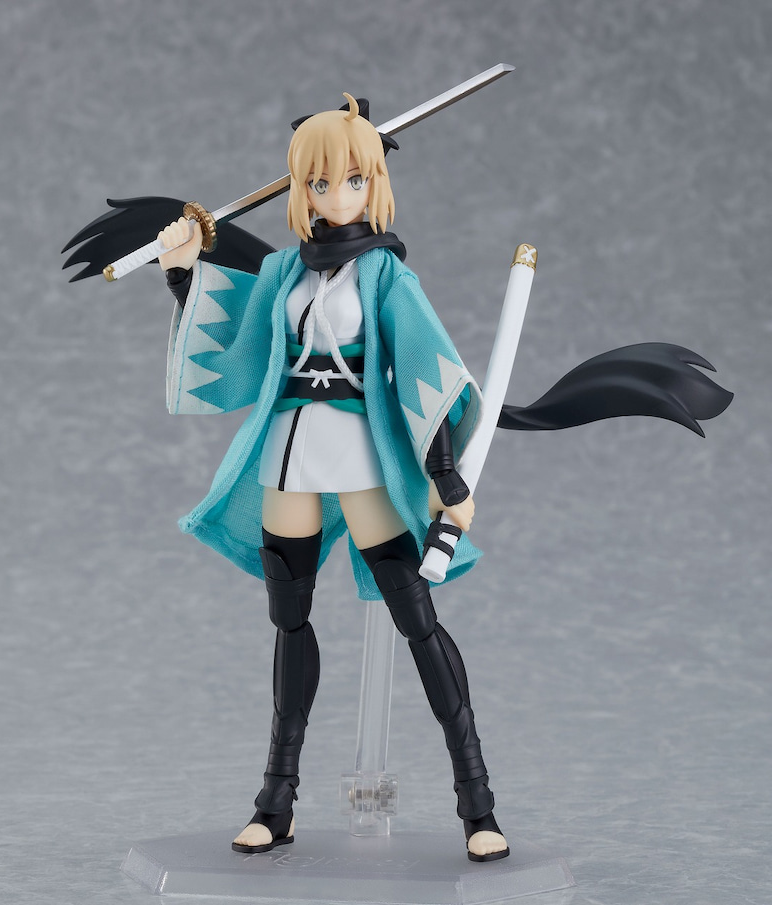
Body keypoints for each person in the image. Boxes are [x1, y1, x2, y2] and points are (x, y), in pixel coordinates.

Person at [157, 94, 509, 862]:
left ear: (374, 181)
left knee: (416, 617)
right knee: (289, 617)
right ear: (300, 187)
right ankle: (275, 799)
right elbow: (240, 353)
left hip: (360, 450)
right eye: (318, 182)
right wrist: (184, 275)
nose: (335, 195)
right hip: (289, 448)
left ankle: (478, 802)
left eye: (351, 179)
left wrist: (444, 474)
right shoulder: (283, 270)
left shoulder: (385, 276)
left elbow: (428, 367)